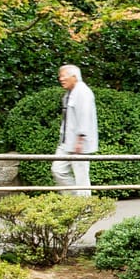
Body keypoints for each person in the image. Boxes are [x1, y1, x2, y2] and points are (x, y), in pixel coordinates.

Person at [52, 64, 98, 193]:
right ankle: (74, 201)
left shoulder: (83, 92)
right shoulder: (69, 93)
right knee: (58, 170)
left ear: (74, 76)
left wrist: (80, 139)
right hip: (66, 142)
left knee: (81, 177)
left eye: (63, 76)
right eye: (60, 76)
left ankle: (85, 208)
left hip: (79, 143)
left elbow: (84, 116)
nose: (61, 79)